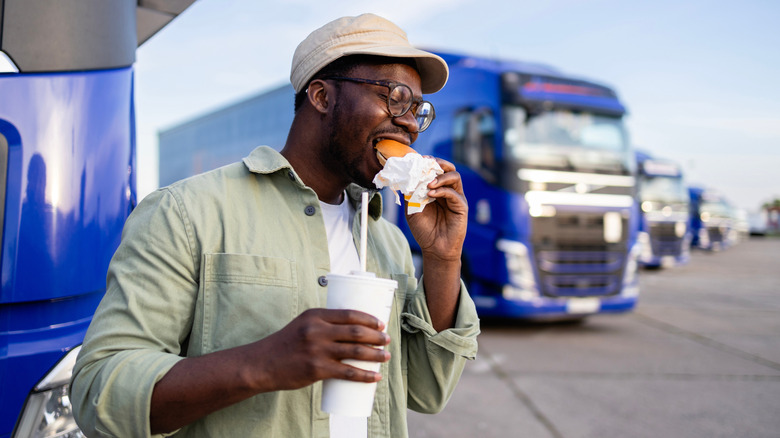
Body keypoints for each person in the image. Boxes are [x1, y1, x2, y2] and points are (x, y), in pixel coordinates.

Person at [71, 13, 479, 438]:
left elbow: (429, 392)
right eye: (394, 97)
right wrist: (262, 364)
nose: (410, 123)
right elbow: (98, 392)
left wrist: (443, 258)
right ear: (321, 96)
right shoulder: (186, 212)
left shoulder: (387, 240)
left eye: (417, 108)